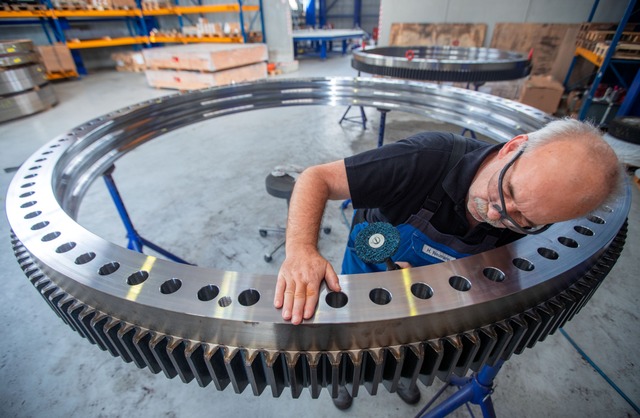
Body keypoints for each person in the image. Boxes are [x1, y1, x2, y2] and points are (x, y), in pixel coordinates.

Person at [272, 118, 621, 409]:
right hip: (375, 251)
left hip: (433, 285)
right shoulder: (427, 158)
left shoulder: (533, 220)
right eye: (508, 190)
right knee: (349, 322)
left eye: (524, 219)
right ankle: (343, 378)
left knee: (410, 333)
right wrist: (301, 249)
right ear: (512, 147)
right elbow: (317, 178)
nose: (497, 213)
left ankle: (398, 375)